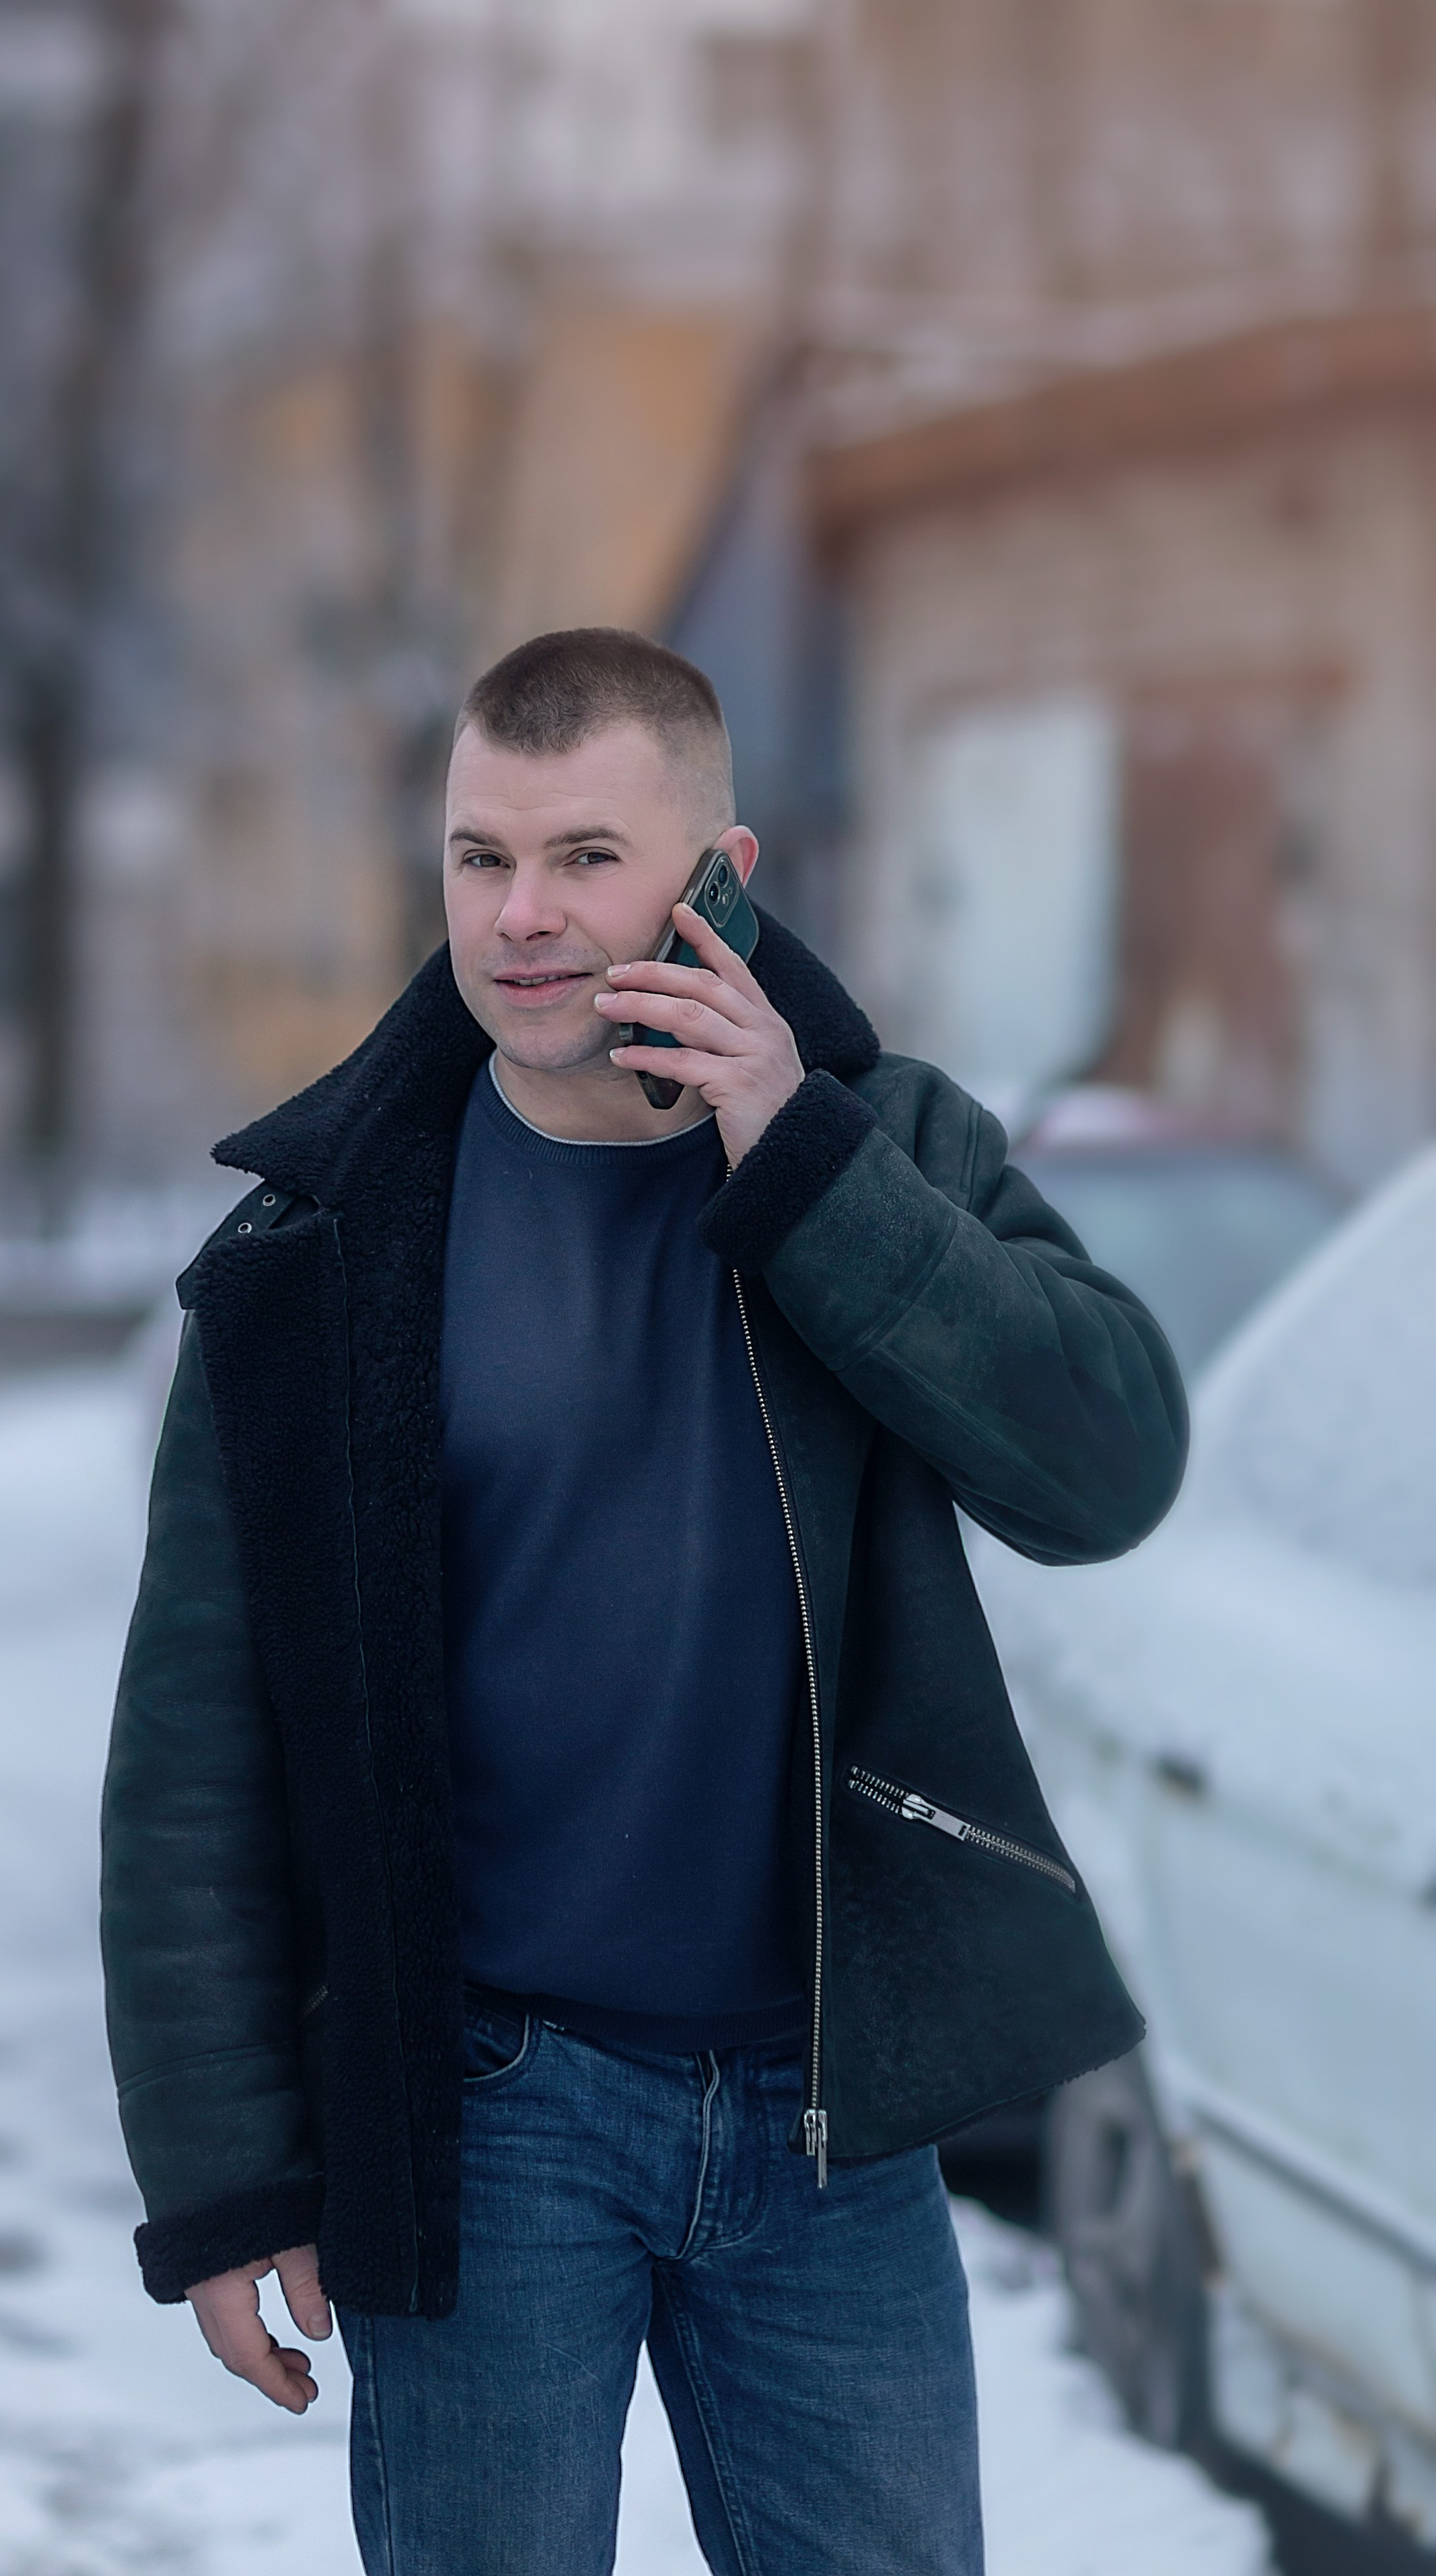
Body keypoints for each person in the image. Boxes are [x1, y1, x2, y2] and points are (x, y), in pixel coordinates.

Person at [100, 627, 1186, 2575]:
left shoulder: (892, 1143)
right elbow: (196, 1743)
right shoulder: (317, 1251)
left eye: (588, 856)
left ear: (724, 878)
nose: (519, 918)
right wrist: (222, 2171)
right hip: (485, 2112)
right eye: (477, 858)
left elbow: (1105, 1469)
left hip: (825, 2115)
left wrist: (811, 1169)